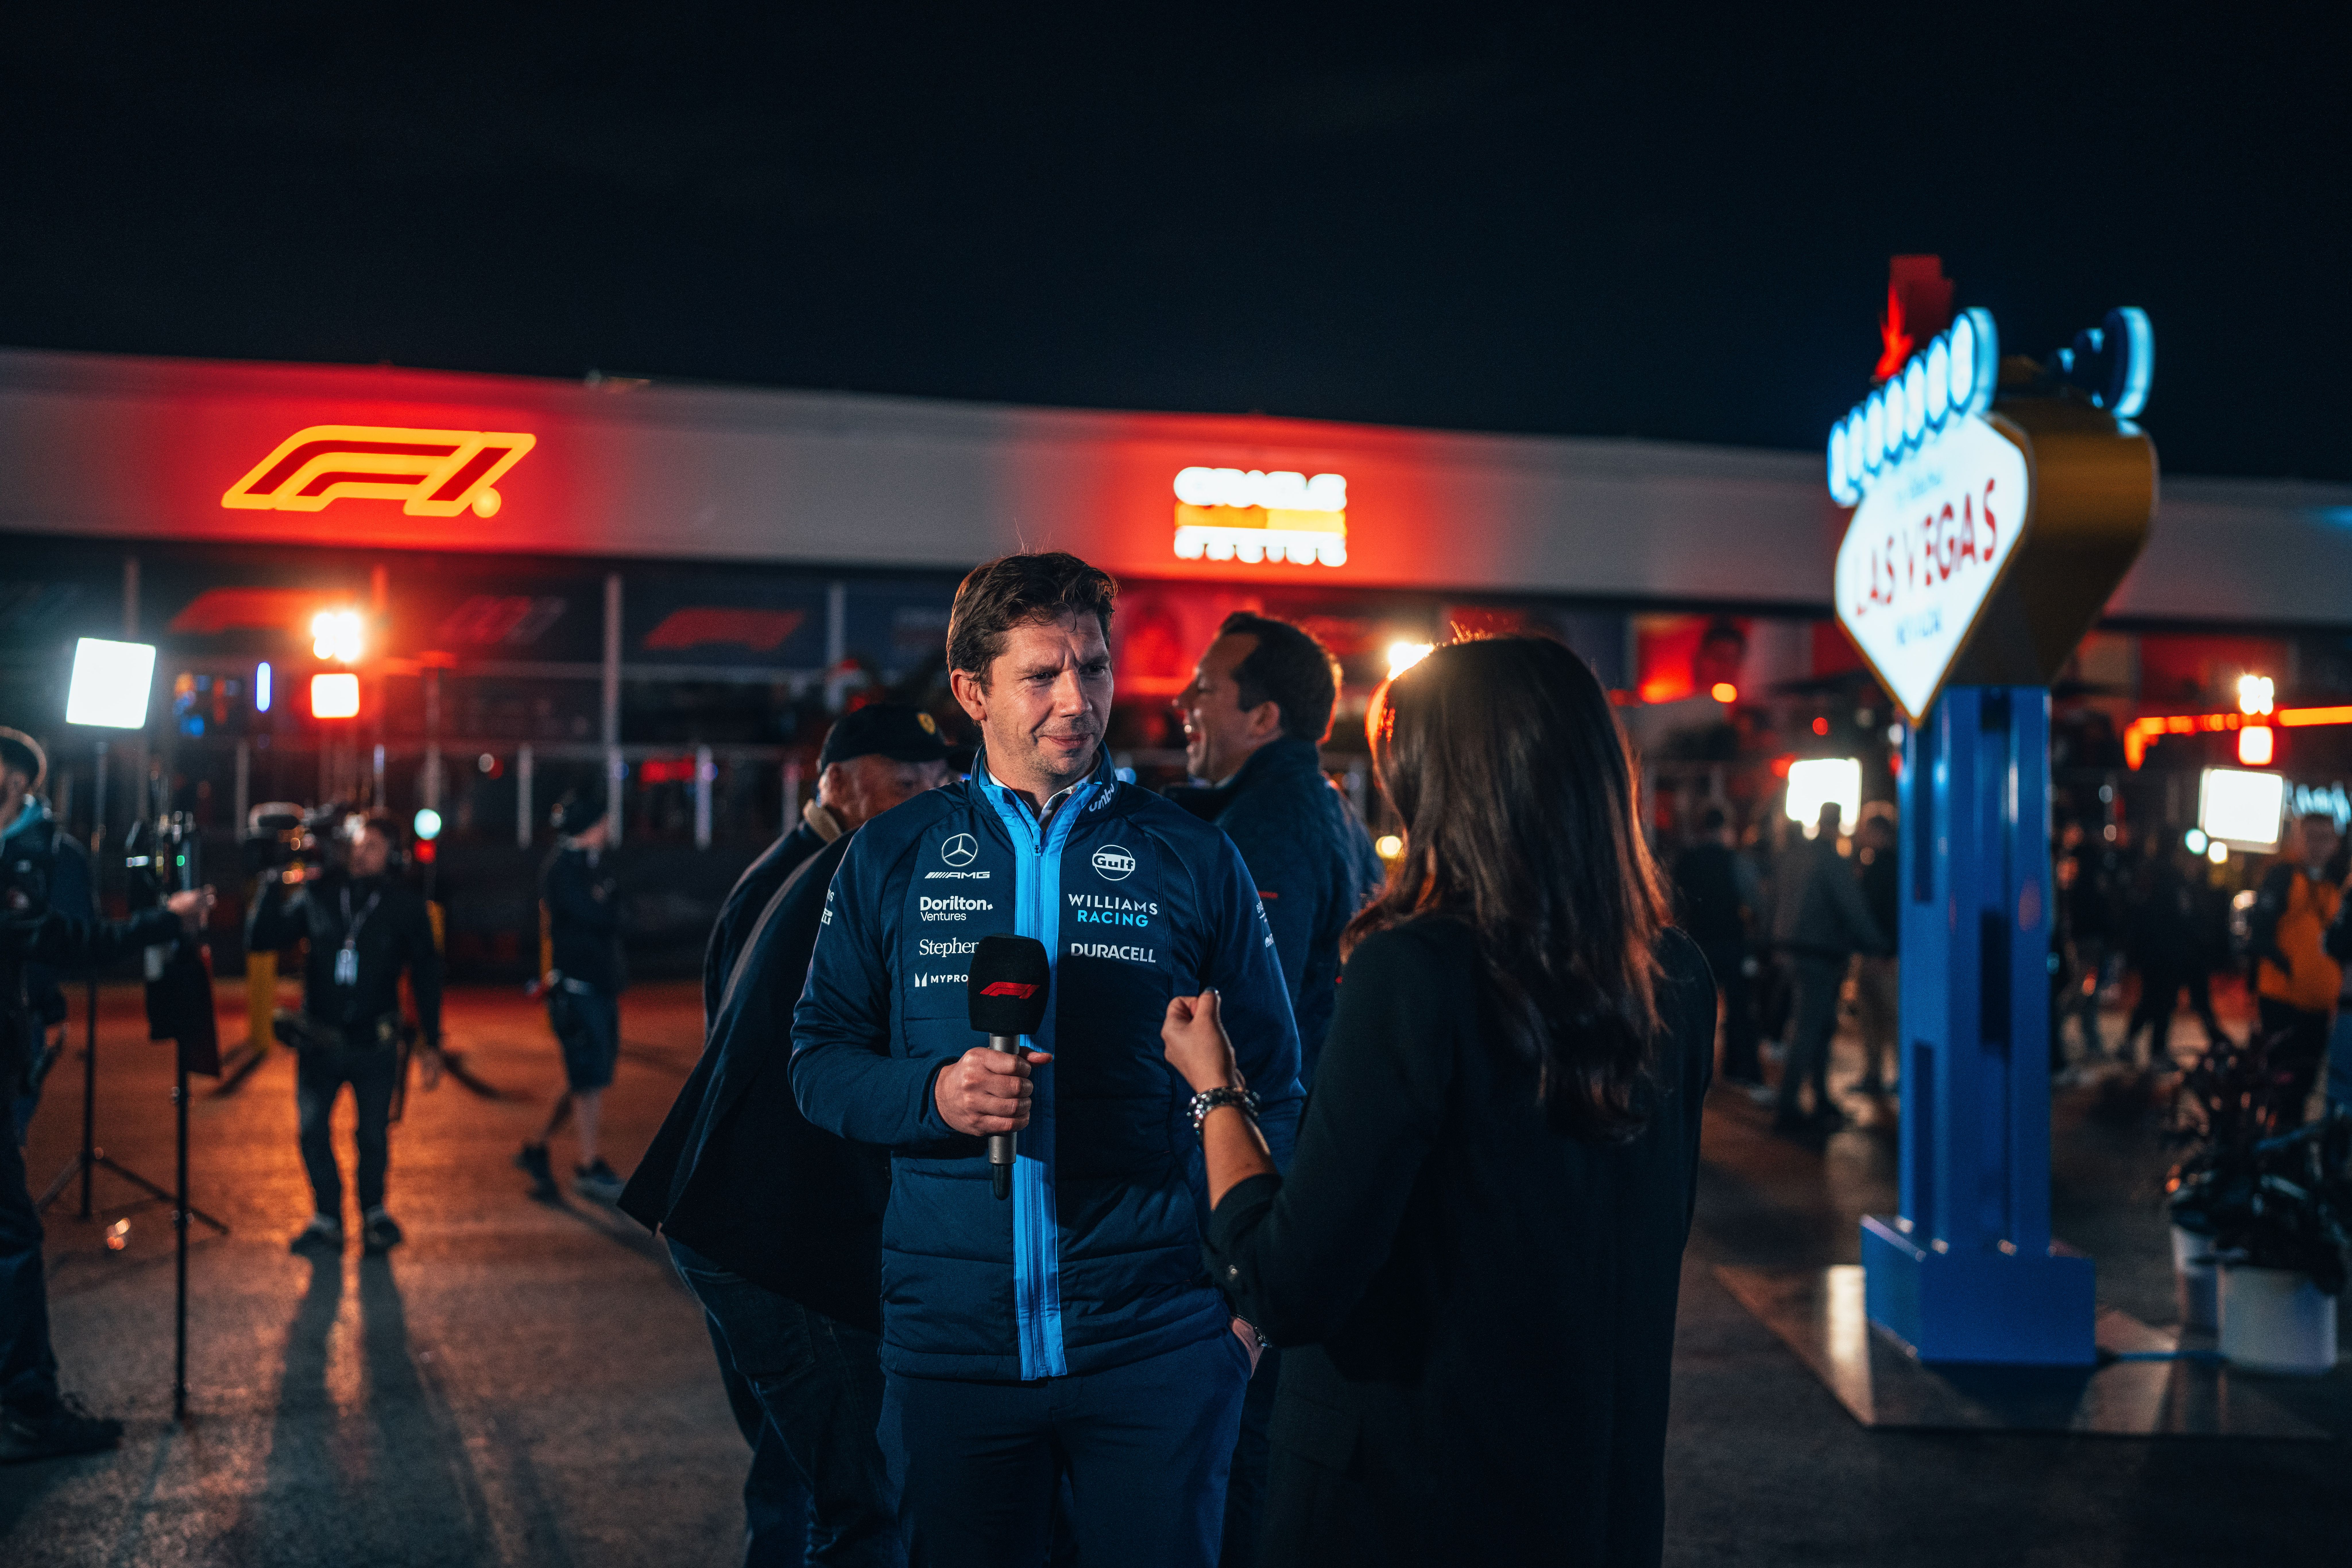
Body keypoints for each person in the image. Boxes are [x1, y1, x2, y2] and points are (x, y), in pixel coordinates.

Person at [790, 551, 1302, 1568]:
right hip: (954, 1356)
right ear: (973, 692)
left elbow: (1278, 1085)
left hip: (1158, 1346)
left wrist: (1241, 1315)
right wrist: (934, 1094)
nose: (1078, 700)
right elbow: (817, 1062)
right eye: (1043, 675)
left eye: (1095, 668)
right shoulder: (892, 855)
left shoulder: (1192, 856)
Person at [1165, 635, 1716, 1567]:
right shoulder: (1674, 976)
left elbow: (1288, 1283)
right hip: (1590, 1495)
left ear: (1441, 784)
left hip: (1405, 1499)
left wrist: (1214, 1089)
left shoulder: (1416, 972)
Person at [621, 703, 949, 1568]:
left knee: (812, 1471)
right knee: (826, 1485)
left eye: (939, 783)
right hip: (771, 1214)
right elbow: (789, 1068)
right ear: (838, 782)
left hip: (762, 1210)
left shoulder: (822, 863)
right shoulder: (825, 873)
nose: (932, 799)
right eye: (908, 783)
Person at [1166, 613, 1381, 1568]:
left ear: (1260, 714)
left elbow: (1254, 1017)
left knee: (1238, 1429)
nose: (1186, 704)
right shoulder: (1315, 801)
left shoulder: (1271, 823)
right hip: (1295, 1146)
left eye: (1205, 688)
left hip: (1260, 1160)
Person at [2, 730, 212, 1462]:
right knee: (10, 1240)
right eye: (16, 793)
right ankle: (27, 1408)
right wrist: (164, 921)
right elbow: (60, 937)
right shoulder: (19, 859)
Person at [247, 811, 443, 1255]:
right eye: (356, 843)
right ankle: (327, 1217)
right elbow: (261, 939)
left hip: (375, 1044)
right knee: (312, 1130)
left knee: (373, 1134)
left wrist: (433, 1041)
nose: (360, 852)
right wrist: (271, 879)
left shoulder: (406, 905)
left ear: (393, 855)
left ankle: (374, 1212)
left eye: (373, 845)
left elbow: (428, 975)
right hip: (320, 1042)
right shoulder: (320, 893)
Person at [519, 790, 627, 1202]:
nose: (608, 828)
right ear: (591, 825)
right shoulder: (565, 869)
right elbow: (598, 915)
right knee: (590, 1078)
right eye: (603, 820)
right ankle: (588, 1164)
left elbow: (615, 910)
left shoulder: (592, 865)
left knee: (585, 1076)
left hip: (598, 984)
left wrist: (608, 905)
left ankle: (536, 1145)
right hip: (578, 987)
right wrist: (606, 905)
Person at [1769, 800, 1884, 1134]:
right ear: (1838, 825)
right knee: (1810, 1029)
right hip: (1819, 952)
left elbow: (1773, 900)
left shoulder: (1792, 855)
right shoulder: (1830, 860)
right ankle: (1788, 1106)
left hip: (1791, 951)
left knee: (1815, 1026)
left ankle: (1818, 1099)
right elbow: (1852, 907)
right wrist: (1877, 944)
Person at [2247, 812, 2344, 1127]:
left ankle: (2286, 1150)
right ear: (2297, 840)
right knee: (2280, 1082)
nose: (2318, 845)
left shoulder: (2336, 883)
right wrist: (2287, 966)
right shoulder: (2281, 877)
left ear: (2335, 844)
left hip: (2318, 1006)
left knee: (2304, 1082)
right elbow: (2258, 932)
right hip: (2281, 1001)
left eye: (2325, 838)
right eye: (2311, 837)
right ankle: (2268, 1146)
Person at [1671, 806, 1763, 1090]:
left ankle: (1694, 1074)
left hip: (1696, 943)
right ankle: (1741, 1070)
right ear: (1724, 829)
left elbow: (1674, 903)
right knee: (1739, 1009)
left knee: (1695, 1012)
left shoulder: (1685, 861)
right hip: (1731, 942)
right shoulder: (1734, 860)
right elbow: (1755, 901)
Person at [2120, 841, 2226, 1068]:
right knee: (2159, 1002)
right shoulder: (2168, 884)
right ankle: (2152, 1050)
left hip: (2186, 957)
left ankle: (2219, 1048)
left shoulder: (2195, 885)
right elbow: (2161, 923)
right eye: (2191, 858)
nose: (2195, 864)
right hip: (2164, 957)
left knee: (2188, 1002)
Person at [1850, 802, 1900, 1095]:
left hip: (1880, 956)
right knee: (1874, 1017)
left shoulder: (1886, 867)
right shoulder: (1881, 865)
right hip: (1877, 954)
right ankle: (1878, 1074)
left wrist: (1886, 952)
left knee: (1884, 1016)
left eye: (1866, 830)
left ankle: (1881, 1074)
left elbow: (1886, 913)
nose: (1861, 834)